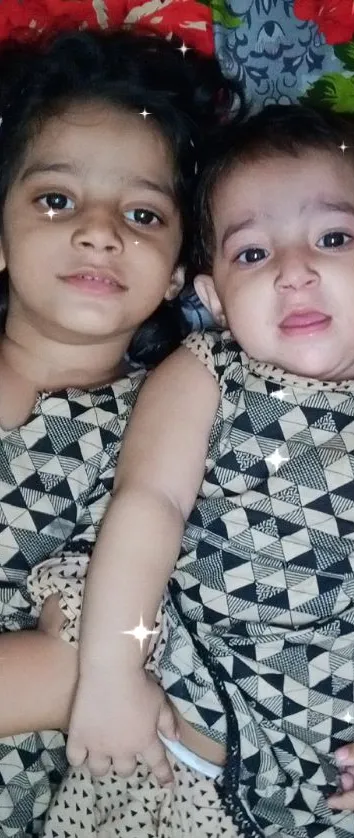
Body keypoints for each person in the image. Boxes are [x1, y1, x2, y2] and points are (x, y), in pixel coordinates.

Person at [43, 104, 354, 838]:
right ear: (212, 299)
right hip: (187, 752)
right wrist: (113, 674)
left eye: (331, 238)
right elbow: (148, 507)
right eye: (251, 254)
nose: (294, 271)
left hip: (351, 773)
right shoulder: (207, 373)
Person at [0, 26, 237, 837]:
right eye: (56, 199)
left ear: (178, 270)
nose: (101, 231)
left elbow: (92, 657)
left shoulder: (166, 424)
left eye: (142, 212)